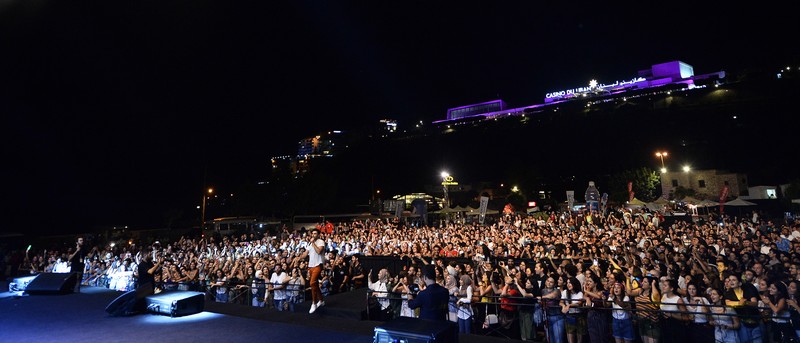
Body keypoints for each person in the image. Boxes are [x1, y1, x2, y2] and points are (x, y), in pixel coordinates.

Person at [301, 228, 326, 314]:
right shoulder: (309, 243)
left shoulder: (320, 242)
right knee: (315, 284)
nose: (313, 235)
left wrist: (313, 243)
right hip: (311, 266)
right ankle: (321, 300)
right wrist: (298, 257)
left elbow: (319, 251)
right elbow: (305, 253)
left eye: (315, 233)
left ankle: (314, 303)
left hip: (318, 265)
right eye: (313, 233)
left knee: (312, 283)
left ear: (318, 235)